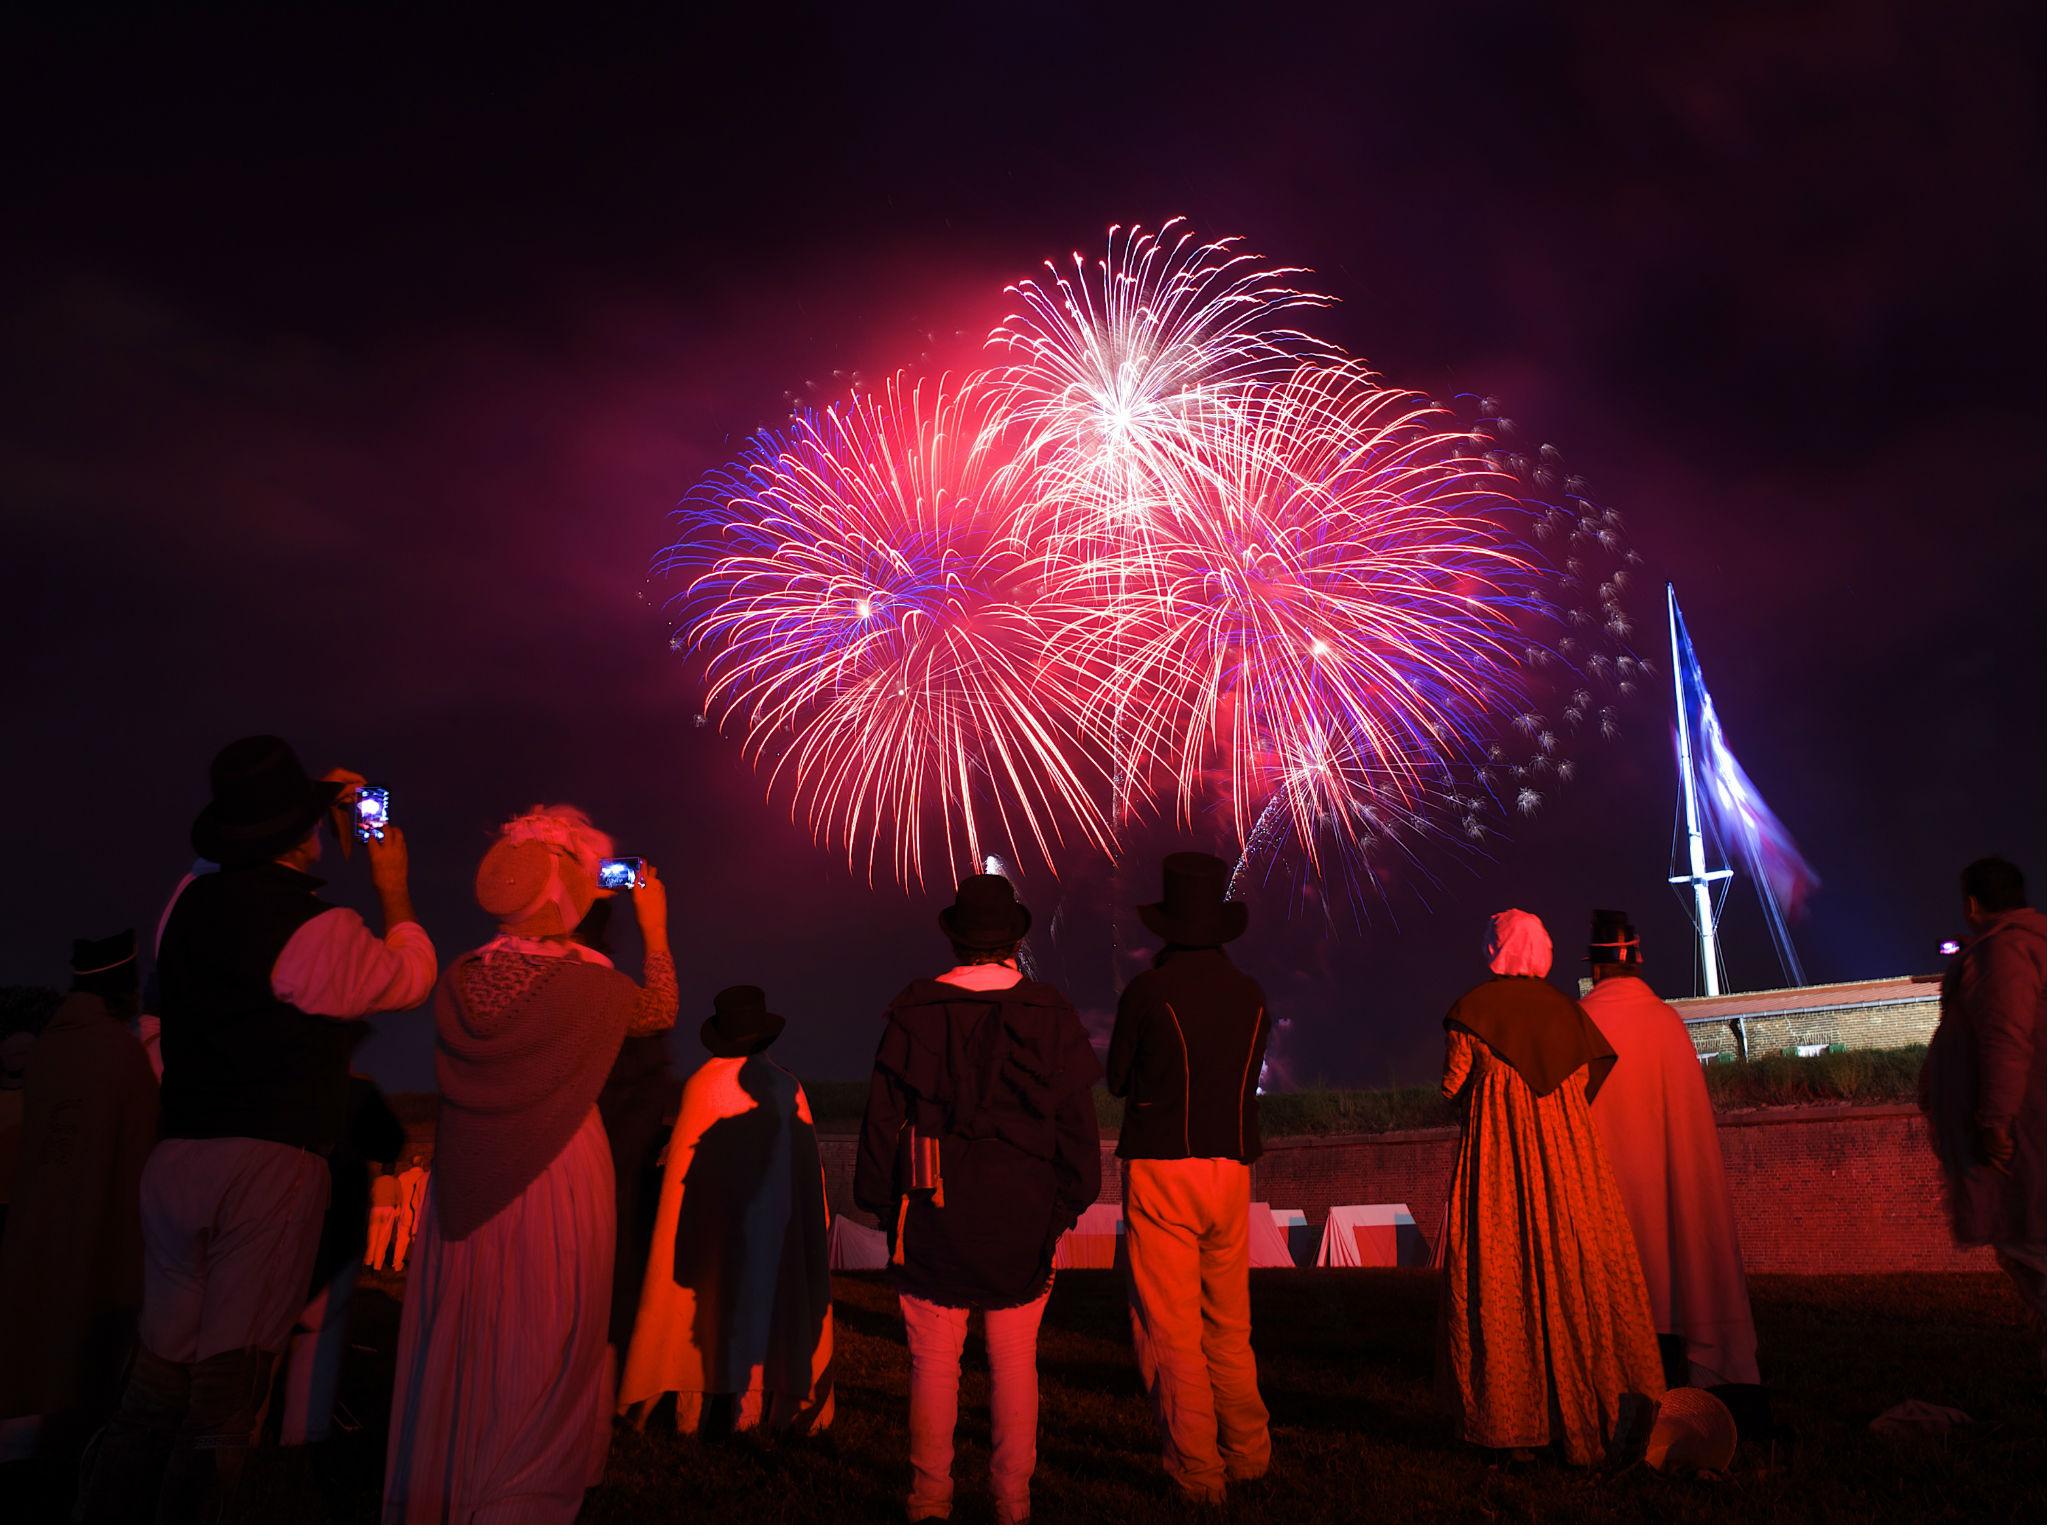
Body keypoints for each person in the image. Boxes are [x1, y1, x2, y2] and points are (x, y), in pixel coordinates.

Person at [77, 736, 435, 1522]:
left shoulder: (185, 903)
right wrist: (393, 885)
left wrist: (307, 800)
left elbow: (220, 880)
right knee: (228, 1393)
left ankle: (106, 1507)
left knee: (159, 1369)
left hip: (179, 1156)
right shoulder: (315, 929)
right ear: (302, 835)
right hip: (267, 1161)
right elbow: (408, 977)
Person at [382, 806, 678, 1524]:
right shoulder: (596, 986)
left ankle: (449, 1478)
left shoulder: (458, 979)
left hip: (464, 1179)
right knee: (548, 1333)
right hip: (558, 1170)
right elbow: (660, 1009)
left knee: (466, 1330)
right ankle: (523, 1487)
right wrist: (655, 925)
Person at [855, 873, 1102, 1524]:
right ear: (1015, 942)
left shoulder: (915, 1012)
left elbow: (881, 1122)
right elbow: (1078, 1132)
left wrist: (886, 1207)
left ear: (956, 940)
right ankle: (1011, 1502)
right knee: (1014, 1359)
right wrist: (1063, 1205)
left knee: (934, 1362)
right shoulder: (1049, 1013)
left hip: (933, 1203)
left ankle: (928, 1500)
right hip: (1023, 1207)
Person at [1437, 909, 1665, 1466]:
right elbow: (1584, 1080)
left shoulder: (1471, 1011)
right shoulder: (1568, 1012)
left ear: (1497, 948)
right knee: (1576, 1264)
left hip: (1499, 1163)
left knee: (1503, 1273)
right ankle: (1590, 1408)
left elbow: (1451, 1086)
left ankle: (1515, 1419)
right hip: (1568, 1161)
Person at [1106, 851, 1274, 1505]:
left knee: (1170, 1326)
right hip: (1231, 1165)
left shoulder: (1148, 992)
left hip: (1162, 1164)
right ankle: (1251, 1452)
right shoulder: (1251, 994)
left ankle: (1198, 1468)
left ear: (1167, 924)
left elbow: (1119, 1078)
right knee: (1230, 1322)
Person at [618, 985, 834, 1435]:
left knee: (704, 1310)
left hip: (711, 1236)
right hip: (769, 1233)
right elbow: (806, 1181)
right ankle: (749, 1416)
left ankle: (691, 1415)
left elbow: (683, 1179)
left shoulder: (699, 1087)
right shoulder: (785, 1088)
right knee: (763, 1306)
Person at [1580, 909, 1760, 1395]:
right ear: (1636, 960)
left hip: (1602, 1204)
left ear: (1595, 968)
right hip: (1667, 1199)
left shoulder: (1578, 1025)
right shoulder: (1665, 1024)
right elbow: (1690, 1134)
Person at [0, 932, 159, 1465]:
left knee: (34, 1323)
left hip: (37, 1217)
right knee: (86, 1348)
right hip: (103, 1234)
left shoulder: (50, 1048)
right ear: (124, 988)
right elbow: (140, 1150)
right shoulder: (120, 1052)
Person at [1921, 856, 2046, 1322]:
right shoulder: (2023, 947)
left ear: (1972, 904)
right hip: (2026, 1139)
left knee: (2033, 1255)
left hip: (2021, 1148)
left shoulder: (2004, 953)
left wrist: (1995, 1124)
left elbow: (2005, 1040)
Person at [280, 1074, 403, 1446]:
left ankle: (241, 1431)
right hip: (336, 1229)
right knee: (320, 1333)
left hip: (278, 1219)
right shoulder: (353, 1091)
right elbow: (389, 1142)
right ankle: (302, 1430)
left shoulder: (278, 1083)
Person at [391, 1155, 428, 1273]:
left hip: (404, 1212)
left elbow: (397, 1195)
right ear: (422, 1164)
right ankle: (417, 1267)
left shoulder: (403, 1176)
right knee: (418, 1241)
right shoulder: (425, 1177)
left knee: (401, 1239)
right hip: (419, 1214)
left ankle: (397, 1264)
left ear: (411, 1164)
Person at [365, 1166, 401, 1270]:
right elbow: (399, 1199)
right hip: (388, 1209)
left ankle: (368, 1262)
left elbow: (371, 1194)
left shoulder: (376, 1181)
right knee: (383, 1239)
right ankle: (377, 1266)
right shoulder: (395, 1182)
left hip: (376, 1208)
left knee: (372, 1237)